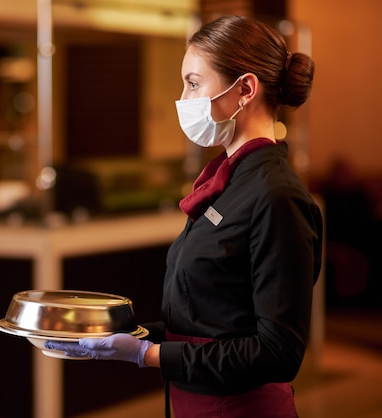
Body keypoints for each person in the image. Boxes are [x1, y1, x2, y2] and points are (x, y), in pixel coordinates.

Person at [45, 15, 323, 418]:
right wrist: (124, 333)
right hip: (191, 401)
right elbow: (212, 320)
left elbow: (277, 352)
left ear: (245, 89)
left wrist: (149, 355)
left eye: (193, 83)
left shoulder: (276, 196)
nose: (183, 96)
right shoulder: (229, 181)